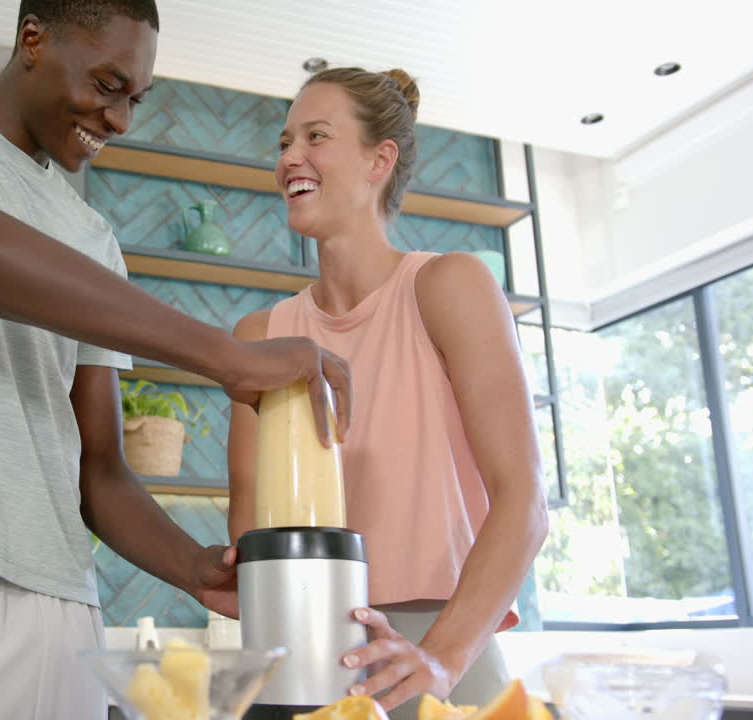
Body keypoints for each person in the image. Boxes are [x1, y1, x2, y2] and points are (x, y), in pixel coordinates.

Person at [0, 1, 354, 717]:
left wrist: (192, 567)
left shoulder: (91, 237)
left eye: (135, 99)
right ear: (33, 38)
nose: (120, 121)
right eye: (108, 85)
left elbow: (99, 469)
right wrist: (227, 357)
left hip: (65, 606)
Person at [226, 67, 549, 719]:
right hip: (301, 654)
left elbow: (523, 501)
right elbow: (249, 531)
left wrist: (443, 659)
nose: (291, 157)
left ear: (381, 159)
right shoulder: (259, 335)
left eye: (316, 136)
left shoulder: (449, 286)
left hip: (440, 649)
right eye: (284, 143)